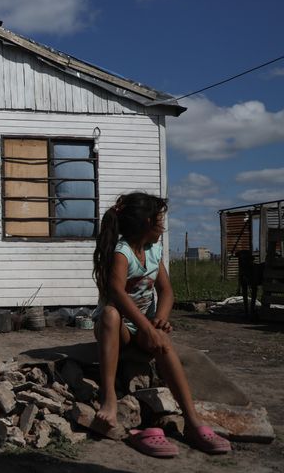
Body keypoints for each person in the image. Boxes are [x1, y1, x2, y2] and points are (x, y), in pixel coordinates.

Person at [92, 192, 230, 456]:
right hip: (117, 329)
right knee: (110, 313)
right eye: (160, 221)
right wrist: (146, 327)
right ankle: (108, 397)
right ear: (146, 223)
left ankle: (192, 422)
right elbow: (117, 292)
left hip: (144, 326)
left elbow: (166, 292)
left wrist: (161, 319)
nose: (163, 227)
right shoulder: (122, 253)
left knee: (163, 342)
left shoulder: (154, 251)